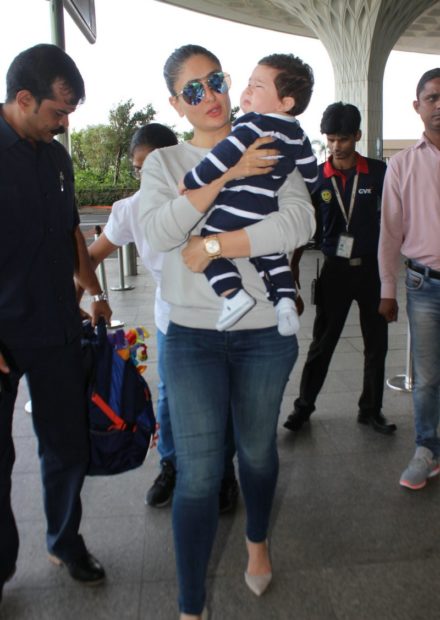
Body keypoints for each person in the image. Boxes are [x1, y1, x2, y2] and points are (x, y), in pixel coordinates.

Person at [138, 44, 315, 619]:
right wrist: (228, 174)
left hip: (264, 329)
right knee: (197, 475)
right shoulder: (163, 162)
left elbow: (299, 221)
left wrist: (215, 246)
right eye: (194, 90)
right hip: (191, 334)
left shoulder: (271, 137)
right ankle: (191, 606)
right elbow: (162, 233)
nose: (210, 96)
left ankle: (257, 542)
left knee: (258, 453)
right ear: (176, 103)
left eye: (215, 81)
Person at [0, 44, 112, 603]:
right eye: (57, 113)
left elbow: (72, 235)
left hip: (56, 327)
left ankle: (65, 541)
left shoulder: (56, 158)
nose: (65, 125)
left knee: (66, 444)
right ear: (23, 99)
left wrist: (94, 294)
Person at [80, 123, 239, 512]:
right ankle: (170, 466)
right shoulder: (132, 209)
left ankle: (223, 473)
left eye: (153, 164)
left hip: (222, 316)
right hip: (172, 321)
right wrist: (88, 297)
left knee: (223, 396)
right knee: (169, 397)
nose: (146, 174)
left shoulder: (212, 198)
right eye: (138, 168)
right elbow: (90, 256)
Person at [180, 53, 317, 336]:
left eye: (258, 86)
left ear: (285, 102)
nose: (248, 90)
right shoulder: (298, 135)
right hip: (268, 208)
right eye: (249, 83)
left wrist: (192, 179)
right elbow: (311, 175)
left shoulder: (253, 124)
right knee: (270, 253)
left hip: (238, 204)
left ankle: (232, 295)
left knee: (209, 243)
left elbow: (221, 159)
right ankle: (285, 303)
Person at [284, 102, 396, 436]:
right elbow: (304, 227)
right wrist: (292, 270)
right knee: (322, 343)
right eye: (331, 139)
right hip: (334, 270)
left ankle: (371, 410)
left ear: (357, 136)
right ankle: (303, 408)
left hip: (371, 271)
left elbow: (392, 224)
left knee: (376, 343)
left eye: (343, 139)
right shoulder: (317, 177)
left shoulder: (378, 173)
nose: (336, 146)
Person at [378, 68, 440, 489]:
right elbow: (390, 231)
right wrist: (387, 288)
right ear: (417, 106)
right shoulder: (401, 164)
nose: (439, 105)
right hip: (425, 286)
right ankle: (427, 449)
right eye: (432, 98)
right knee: (428, 377)